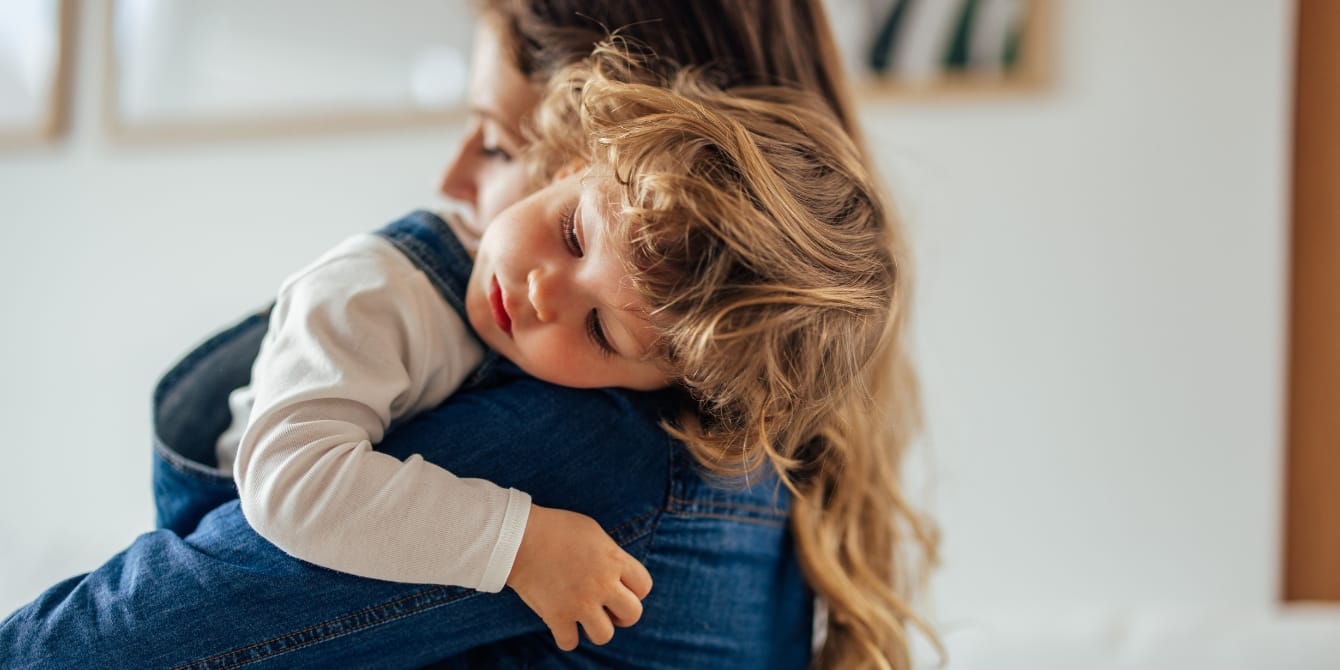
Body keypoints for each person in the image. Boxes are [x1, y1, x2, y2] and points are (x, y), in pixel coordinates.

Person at [0, 2, 937, 669]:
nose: (538, 290)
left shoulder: (598, 453)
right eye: (571, 230)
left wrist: (520, 537)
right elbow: (286, 478)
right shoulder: (381, 296)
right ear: (593, 146)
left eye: (495, 140)